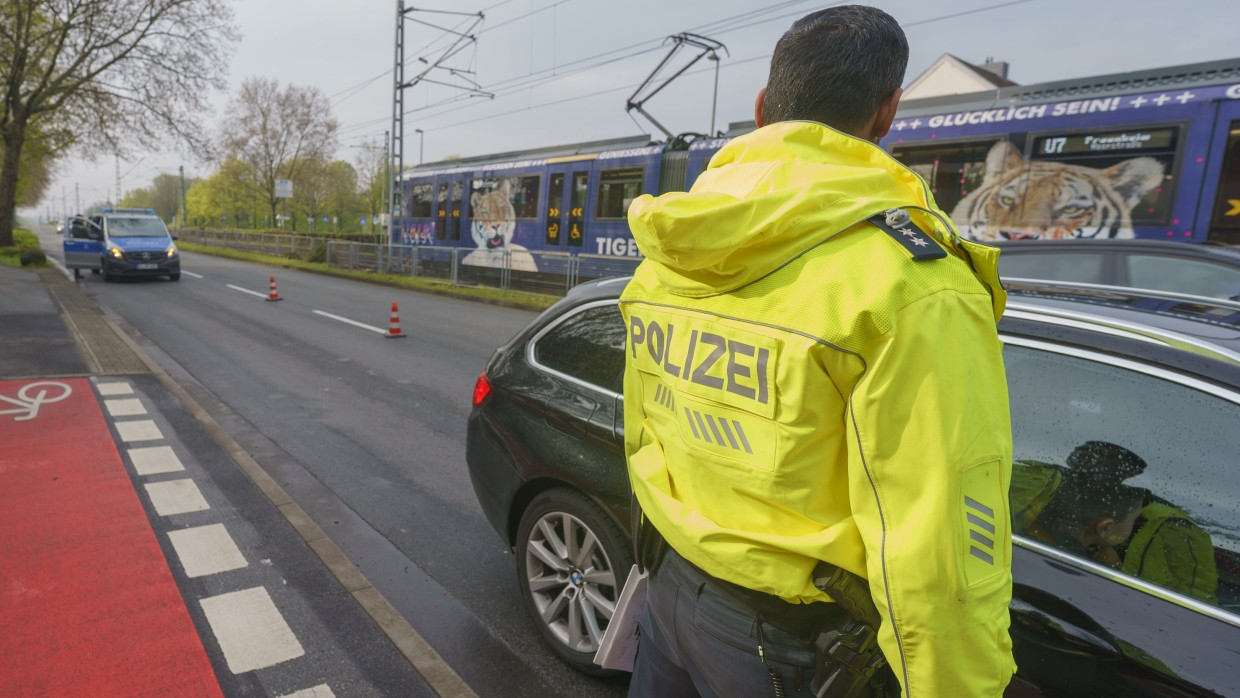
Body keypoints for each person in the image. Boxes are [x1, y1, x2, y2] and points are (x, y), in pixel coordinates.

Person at [619, 6, 1015, 697]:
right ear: (888, 111)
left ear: (764, 107)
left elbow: (644, 428)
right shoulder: (911, 286)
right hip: (780, 643)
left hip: (669, 589)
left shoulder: (669, 254)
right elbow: (938, 543)